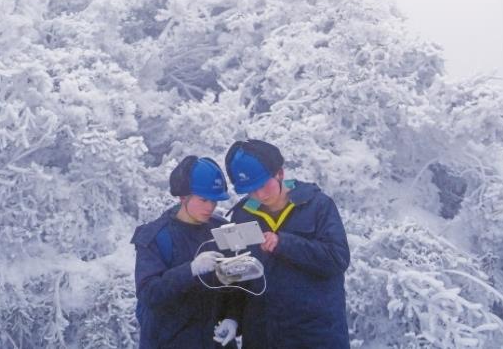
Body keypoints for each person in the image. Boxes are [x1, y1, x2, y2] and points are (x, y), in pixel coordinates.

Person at [221, 139, 351, 349]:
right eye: (251, 190)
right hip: (262, 337)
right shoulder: (242, 215)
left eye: (263, 185)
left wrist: (285, 244)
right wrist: (232, 317)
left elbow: (338, 258)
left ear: (279, 173)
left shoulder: (318, 206)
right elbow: (239, 278)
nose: (259, 195)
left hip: (315, 336)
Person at [131, 155, 237, 348]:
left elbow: (236, 284)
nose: (210, 207)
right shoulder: (156, 236)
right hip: (170, 341)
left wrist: (233, 318)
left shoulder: (222, 229)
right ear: (183, 197)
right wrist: (190, 270)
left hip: (215, 342)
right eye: (203, 199)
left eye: (214, 201)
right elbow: (149, 293)